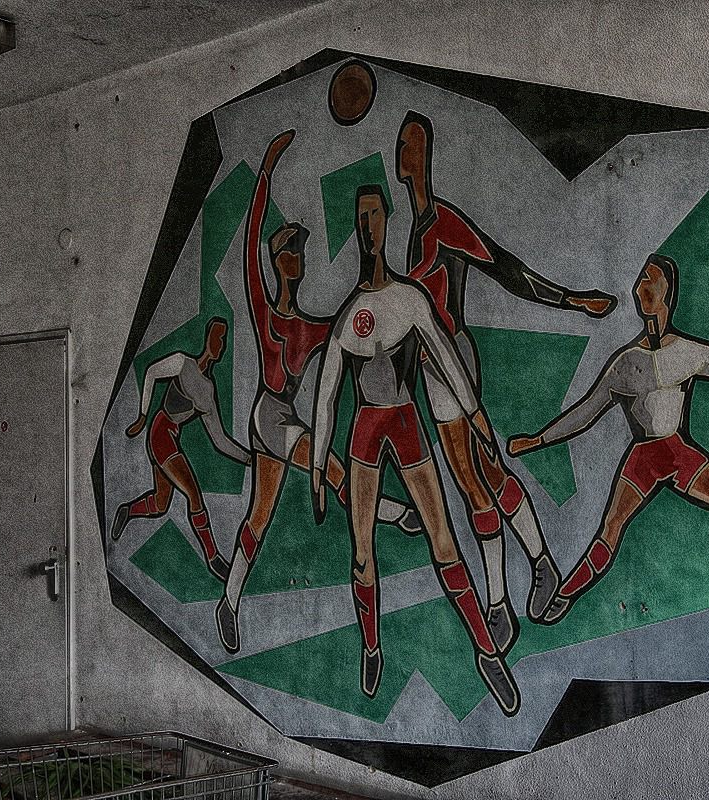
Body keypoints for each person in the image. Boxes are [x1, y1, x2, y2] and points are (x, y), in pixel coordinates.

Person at [395, 110, 619, 651]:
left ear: (425, 156)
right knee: (474, 484)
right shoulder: (412, 234)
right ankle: (502, 600)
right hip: (432, 375)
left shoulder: (444, 223)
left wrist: (572, 299)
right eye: (405, 145)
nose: (410, 153)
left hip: (457, 364)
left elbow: (505, 266)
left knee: (487, 473)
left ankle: (538, 566)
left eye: (417, 143)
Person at [507, 253, 709, 648]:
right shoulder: (626, 363)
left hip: (678, 454)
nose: (639, 287)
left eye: (649, 280)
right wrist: (538, 439)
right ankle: (565, 593)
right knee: (610, 530)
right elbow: (585, 412)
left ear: (666, 292)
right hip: (645, 458)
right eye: (639, 281)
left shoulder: (685, 352)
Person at [311, 184, 520, 716]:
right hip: (365, 428)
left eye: (375, 214)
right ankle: (372, 645)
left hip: (406, 421)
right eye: (360, 216)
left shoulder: (409, 299)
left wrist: (476, 418)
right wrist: (317, 466)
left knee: (443, 538)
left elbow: (447, 358)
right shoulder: (349, 313)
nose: (368, 225)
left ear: (386, 220)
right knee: (361, 549)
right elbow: (327, 393)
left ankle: (486, 651)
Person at [215, 130, 420, 654]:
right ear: (275, 259)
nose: (295, 260)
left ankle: (229, 601)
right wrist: (265, 171)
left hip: (280, 422)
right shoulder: (266, 310)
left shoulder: (312, 327)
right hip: (269, 416)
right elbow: (246, 247)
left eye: (300, 253)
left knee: (257, 518)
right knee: (325, 463)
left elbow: (355, 321)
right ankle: (394, 513)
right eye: (287, 252)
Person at [111, 318, 251, 582]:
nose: (219, 344)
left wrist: (249, 459)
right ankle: (213, 558)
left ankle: (128, 510)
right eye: (217, 337)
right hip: (160, 433)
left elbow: (220, 441)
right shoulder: (183, 364)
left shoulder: (208, 392)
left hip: (170, 438)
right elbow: (151, 372)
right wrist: (142, 416)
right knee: (194, 495)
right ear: (207, 338)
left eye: (223, 340)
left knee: (161, 504)